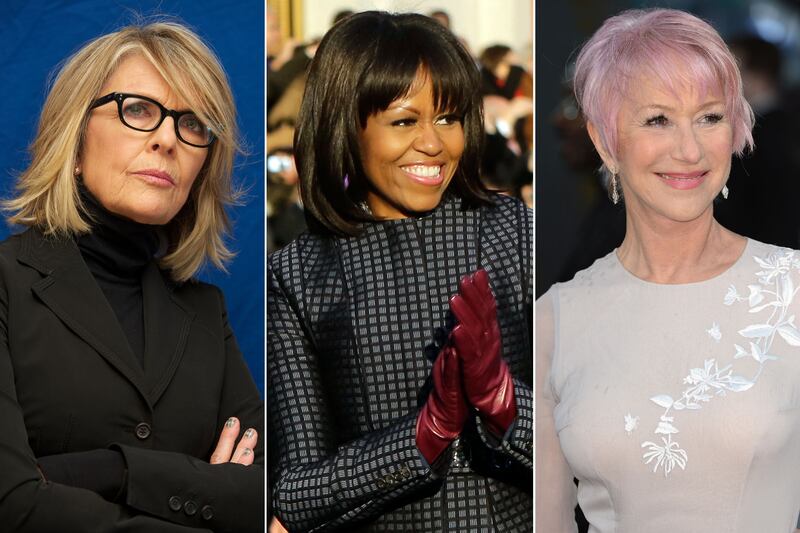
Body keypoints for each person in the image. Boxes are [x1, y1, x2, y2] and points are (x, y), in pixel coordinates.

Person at [536, 8, 800, 532]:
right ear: (605, 141)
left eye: (710, 117)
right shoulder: (556, 320)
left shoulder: (791, 291)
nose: (689, 149)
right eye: (658, 119)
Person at [267, 11, 532, 532]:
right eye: (405, 122)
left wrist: (506, 403)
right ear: (347, 125)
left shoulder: (515, 233)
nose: (433, 144)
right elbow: (295, 494)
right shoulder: (297, 274)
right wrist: (422, 437)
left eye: (449, 118)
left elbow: (595, 433)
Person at [0, 22, 263, 532]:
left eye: (193, 124)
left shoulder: (205, 311)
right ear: (74, 140)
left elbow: (266, 493)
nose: (167, 139)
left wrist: (112, 470)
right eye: (138, 109)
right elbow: (11, 504)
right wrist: (205, 490)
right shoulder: (7, 284)